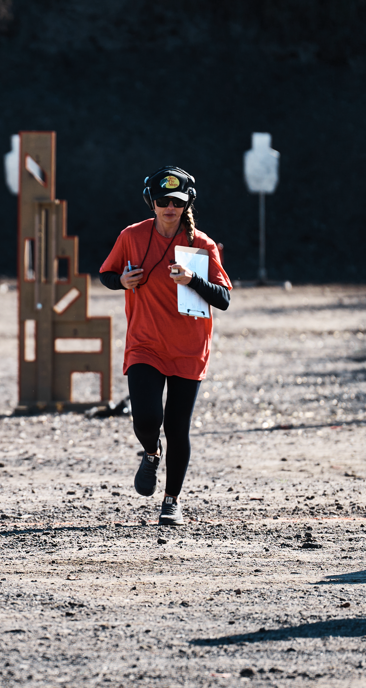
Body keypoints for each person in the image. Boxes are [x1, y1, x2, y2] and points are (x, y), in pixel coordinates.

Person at [99, 166, 231, 526]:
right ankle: (151, 451)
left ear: (187, 203)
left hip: (189, 348)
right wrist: (122, 281)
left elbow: (223, 299)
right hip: (145, 344)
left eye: (177, 201)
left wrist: (193, 279)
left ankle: (172, 501)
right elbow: (107, 274)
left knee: (177, 428)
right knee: (146, 417)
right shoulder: (131, 236)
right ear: (151, 202)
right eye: (162, 201)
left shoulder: (201, 244)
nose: (170, 208)